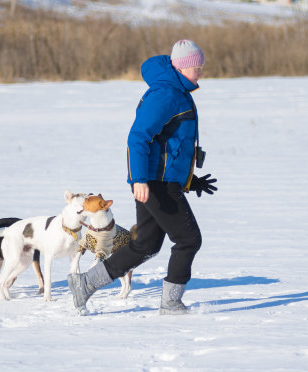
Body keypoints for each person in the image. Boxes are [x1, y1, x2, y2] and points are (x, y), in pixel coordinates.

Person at [68, 39, 217, 315]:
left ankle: (85, 283)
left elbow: (171, 146)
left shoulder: (177, 91)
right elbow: (138, 138)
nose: (202, 72)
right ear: (183, 67)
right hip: (154, 184)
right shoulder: (166, 94)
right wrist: (139, 179)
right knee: (188, 240)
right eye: (198, 67)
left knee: (146, 244)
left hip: (160, 181)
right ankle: (171, 303)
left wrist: (189, 179)